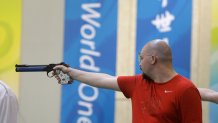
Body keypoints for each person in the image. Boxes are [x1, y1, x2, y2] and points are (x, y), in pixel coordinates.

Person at [54, 39, 203, 123]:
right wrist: (71, 72)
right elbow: (103, 79)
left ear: (153, 59)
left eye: (141, 57)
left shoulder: (186, 89)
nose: (139, 63)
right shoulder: (137, 83)